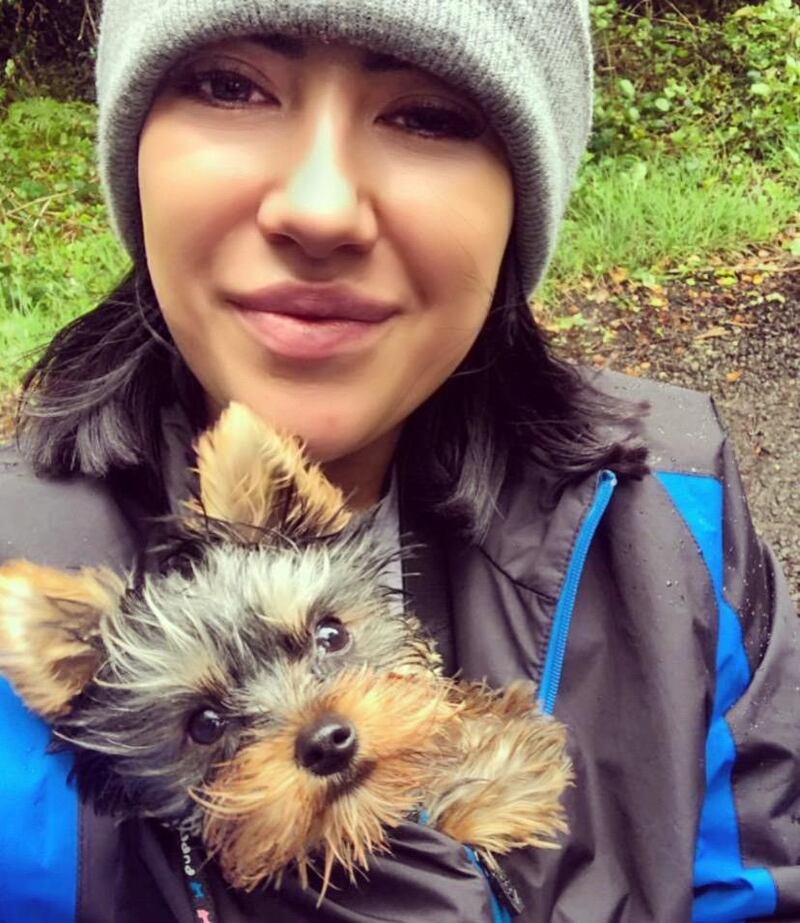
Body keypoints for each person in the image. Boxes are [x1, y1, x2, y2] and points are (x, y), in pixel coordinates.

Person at [0, 0, 797, 920]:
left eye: (427, 115)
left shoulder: (671, 512)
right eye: (229, 87)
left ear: (523, 192)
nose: (319, 207)